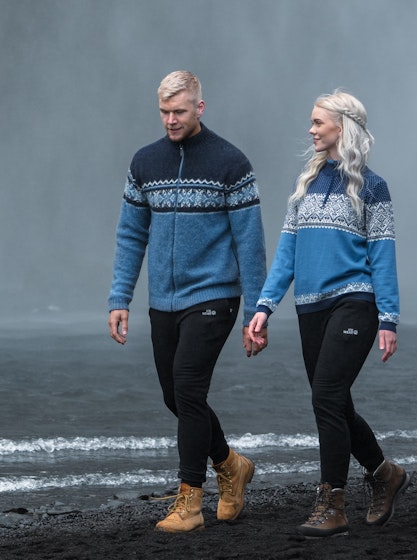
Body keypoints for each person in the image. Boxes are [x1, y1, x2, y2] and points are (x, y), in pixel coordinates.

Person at [107, 70, 267, 533]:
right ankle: (231, 465)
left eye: (179, 111)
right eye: (164, 112)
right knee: (174, 396)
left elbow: (250, 242)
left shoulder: (230, 162)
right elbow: (131, 234)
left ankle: (190, 503)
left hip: (216, 294)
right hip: (164, 300)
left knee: (189, 387)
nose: (171, 120)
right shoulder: (145, 163)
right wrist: (121, 296)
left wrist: (257, 310)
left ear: (200, 107)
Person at [246, 90, 408, 537]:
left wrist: (389, 319)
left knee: (325, 398)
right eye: (312, 122)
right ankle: (384, 474)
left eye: (319, 122)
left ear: (343, 127)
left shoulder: (373, 188)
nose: (311, 129)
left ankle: (332, 503)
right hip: (309, 308)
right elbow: (286, 257)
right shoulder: (305, 187)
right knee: (334, 401)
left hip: (355, 302)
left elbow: (383, 257)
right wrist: (264, 307)